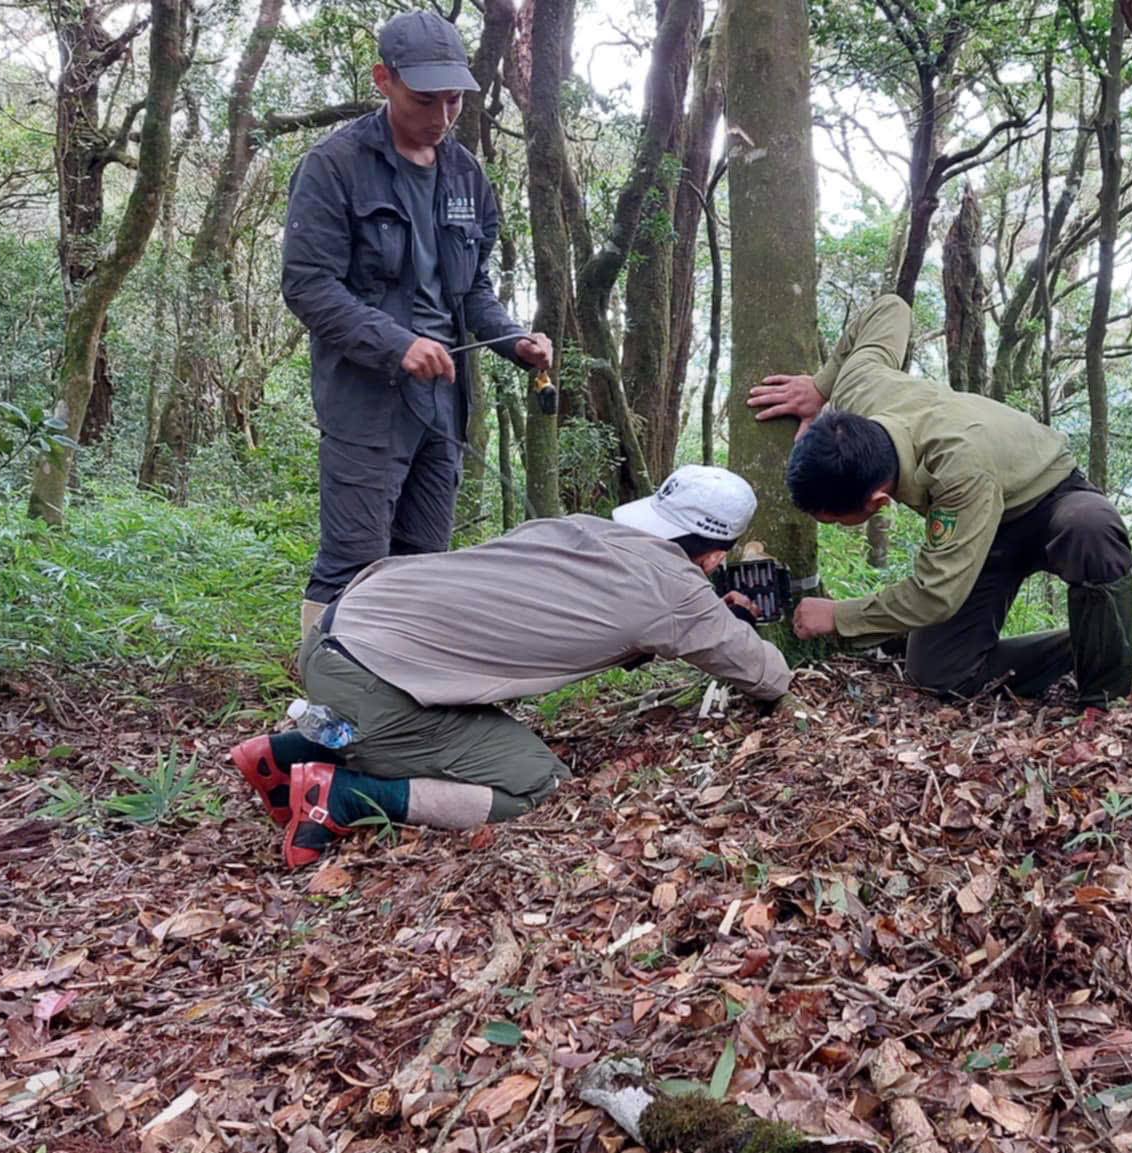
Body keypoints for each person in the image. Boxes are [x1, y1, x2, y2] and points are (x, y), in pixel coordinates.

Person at [229, 466, 790, 869]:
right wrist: (729, 631)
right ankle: (343, 796)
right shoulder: (675, 591)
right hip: (379, 684)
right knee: (539, 785)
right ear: (716, 556)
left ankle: (287, 755)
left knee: (402, 718)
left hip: (336, 630)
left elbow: (588, 615)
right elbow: (765, 676)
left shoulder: (572, 528)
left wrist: (696, 617)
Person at [281, 9, 554, 644]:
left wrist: (513, 340)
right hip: (367, 398)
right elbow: (308, 286)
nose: (442, 114)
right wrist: (397, 344)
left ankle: (401, 701)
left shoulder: (465, 174)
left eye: (454, 98)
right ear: (385, 80)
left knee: (421, 560)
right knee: (352, 561)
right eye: (425, 98)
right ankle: (331, 699)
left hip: (445, 401)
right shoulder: (335, 167)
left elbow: (473, 291)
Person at [749, 294, 1132, 708]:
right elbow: (890, 308)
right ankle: (1085, 644)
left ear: (879, 501)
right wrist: (821, 386)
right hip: (984, 526)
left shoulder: (956, 469)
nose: (840, 526)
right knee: (940, 673)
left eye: (840, 520)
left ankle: (1104, 692)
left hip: (1049, 498)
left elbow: (936, 594)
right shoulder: (858, 386)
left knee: (1089, 526)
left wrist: (840, 616)